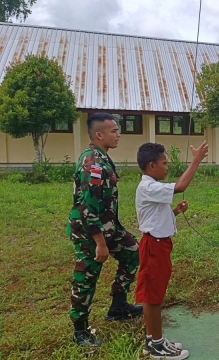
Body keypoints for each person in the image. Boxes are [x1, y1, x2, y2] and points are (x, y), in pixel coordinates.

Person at [67, 113, 141, 347]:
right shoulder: (93, 165)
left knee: (132, 252)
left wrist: (112, 231)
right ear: (99, 134)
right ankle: (80, 331)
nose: (118, 134)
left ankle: (118, 306)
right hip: (91, 232)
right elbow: (87, 207)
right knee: (86, 277)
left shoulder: (103, 158)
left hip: (109, 228)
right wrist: (99, 242)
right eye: (114, 131)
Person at [135, 141, 209, 360]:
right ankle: (156, 346)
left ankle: (153, 340)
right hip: (153, 247)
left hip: (159, 245)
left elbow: (156, 218)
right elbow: (180, 187)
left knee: (155, 294)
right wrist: (196, 160)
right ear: (151, 166)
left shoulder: (151, 187)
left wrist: (175, 211)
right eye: (164, 163)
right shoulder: (148, 187)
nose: (167, 167)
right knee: (153, 297)